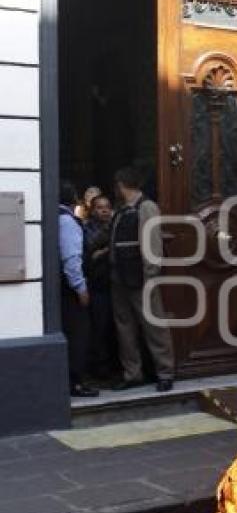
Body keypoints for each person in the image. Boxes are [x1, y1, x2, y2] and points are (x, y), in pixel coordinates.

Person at [110, 166, 175, 393]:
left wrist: (151, 276)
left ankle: (165, 373)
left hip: (142, 279)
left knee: (154, 326)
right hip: (120, 279)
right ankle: (133, 374)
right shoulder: (121, 210)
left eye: (116, 185)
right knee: (124, 328)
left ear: (121, 185)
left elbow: (152, 245)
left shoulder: (146, 207)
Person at [59, 180, 99, 398]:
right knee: (79, 335)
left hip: (62, 289)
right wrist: (81, 288)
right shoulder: (67, 222)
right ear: (73, 198)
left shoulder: (55, 217)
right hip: (70, 290)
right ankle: (75, 382)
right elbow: (71, 258)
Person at [84, 192, 118, 379]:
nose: (105, 210)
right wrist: (107, 247)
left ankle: (115, 367)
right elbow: (90, 250)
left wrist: (103, 251)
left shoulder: (116, 226)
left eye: (107, 206)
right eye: (99, 207)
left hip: (117, 285)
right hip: (98, 287)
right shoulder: (87, 228)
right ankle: (101, 370)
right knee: (100, 328)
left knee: (116, 328)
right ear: (92, 210)